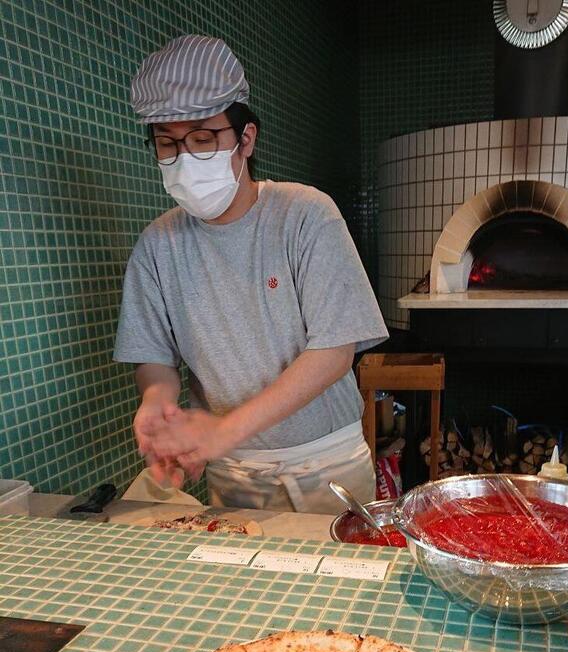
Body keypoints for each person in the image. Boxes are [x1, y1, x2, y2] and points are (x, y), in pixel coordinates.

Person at [114, 35, 388, 513]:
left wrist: (223, 430)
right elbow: (155, 358)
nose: (184, 158)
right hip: (234, 473)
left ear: (245, 138)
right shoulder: (157, 245)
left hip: (327, 465)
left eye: (202, 138)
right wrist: (156, 400)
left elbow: (335, 351)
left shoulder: (304, 214)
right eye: (166, 145)